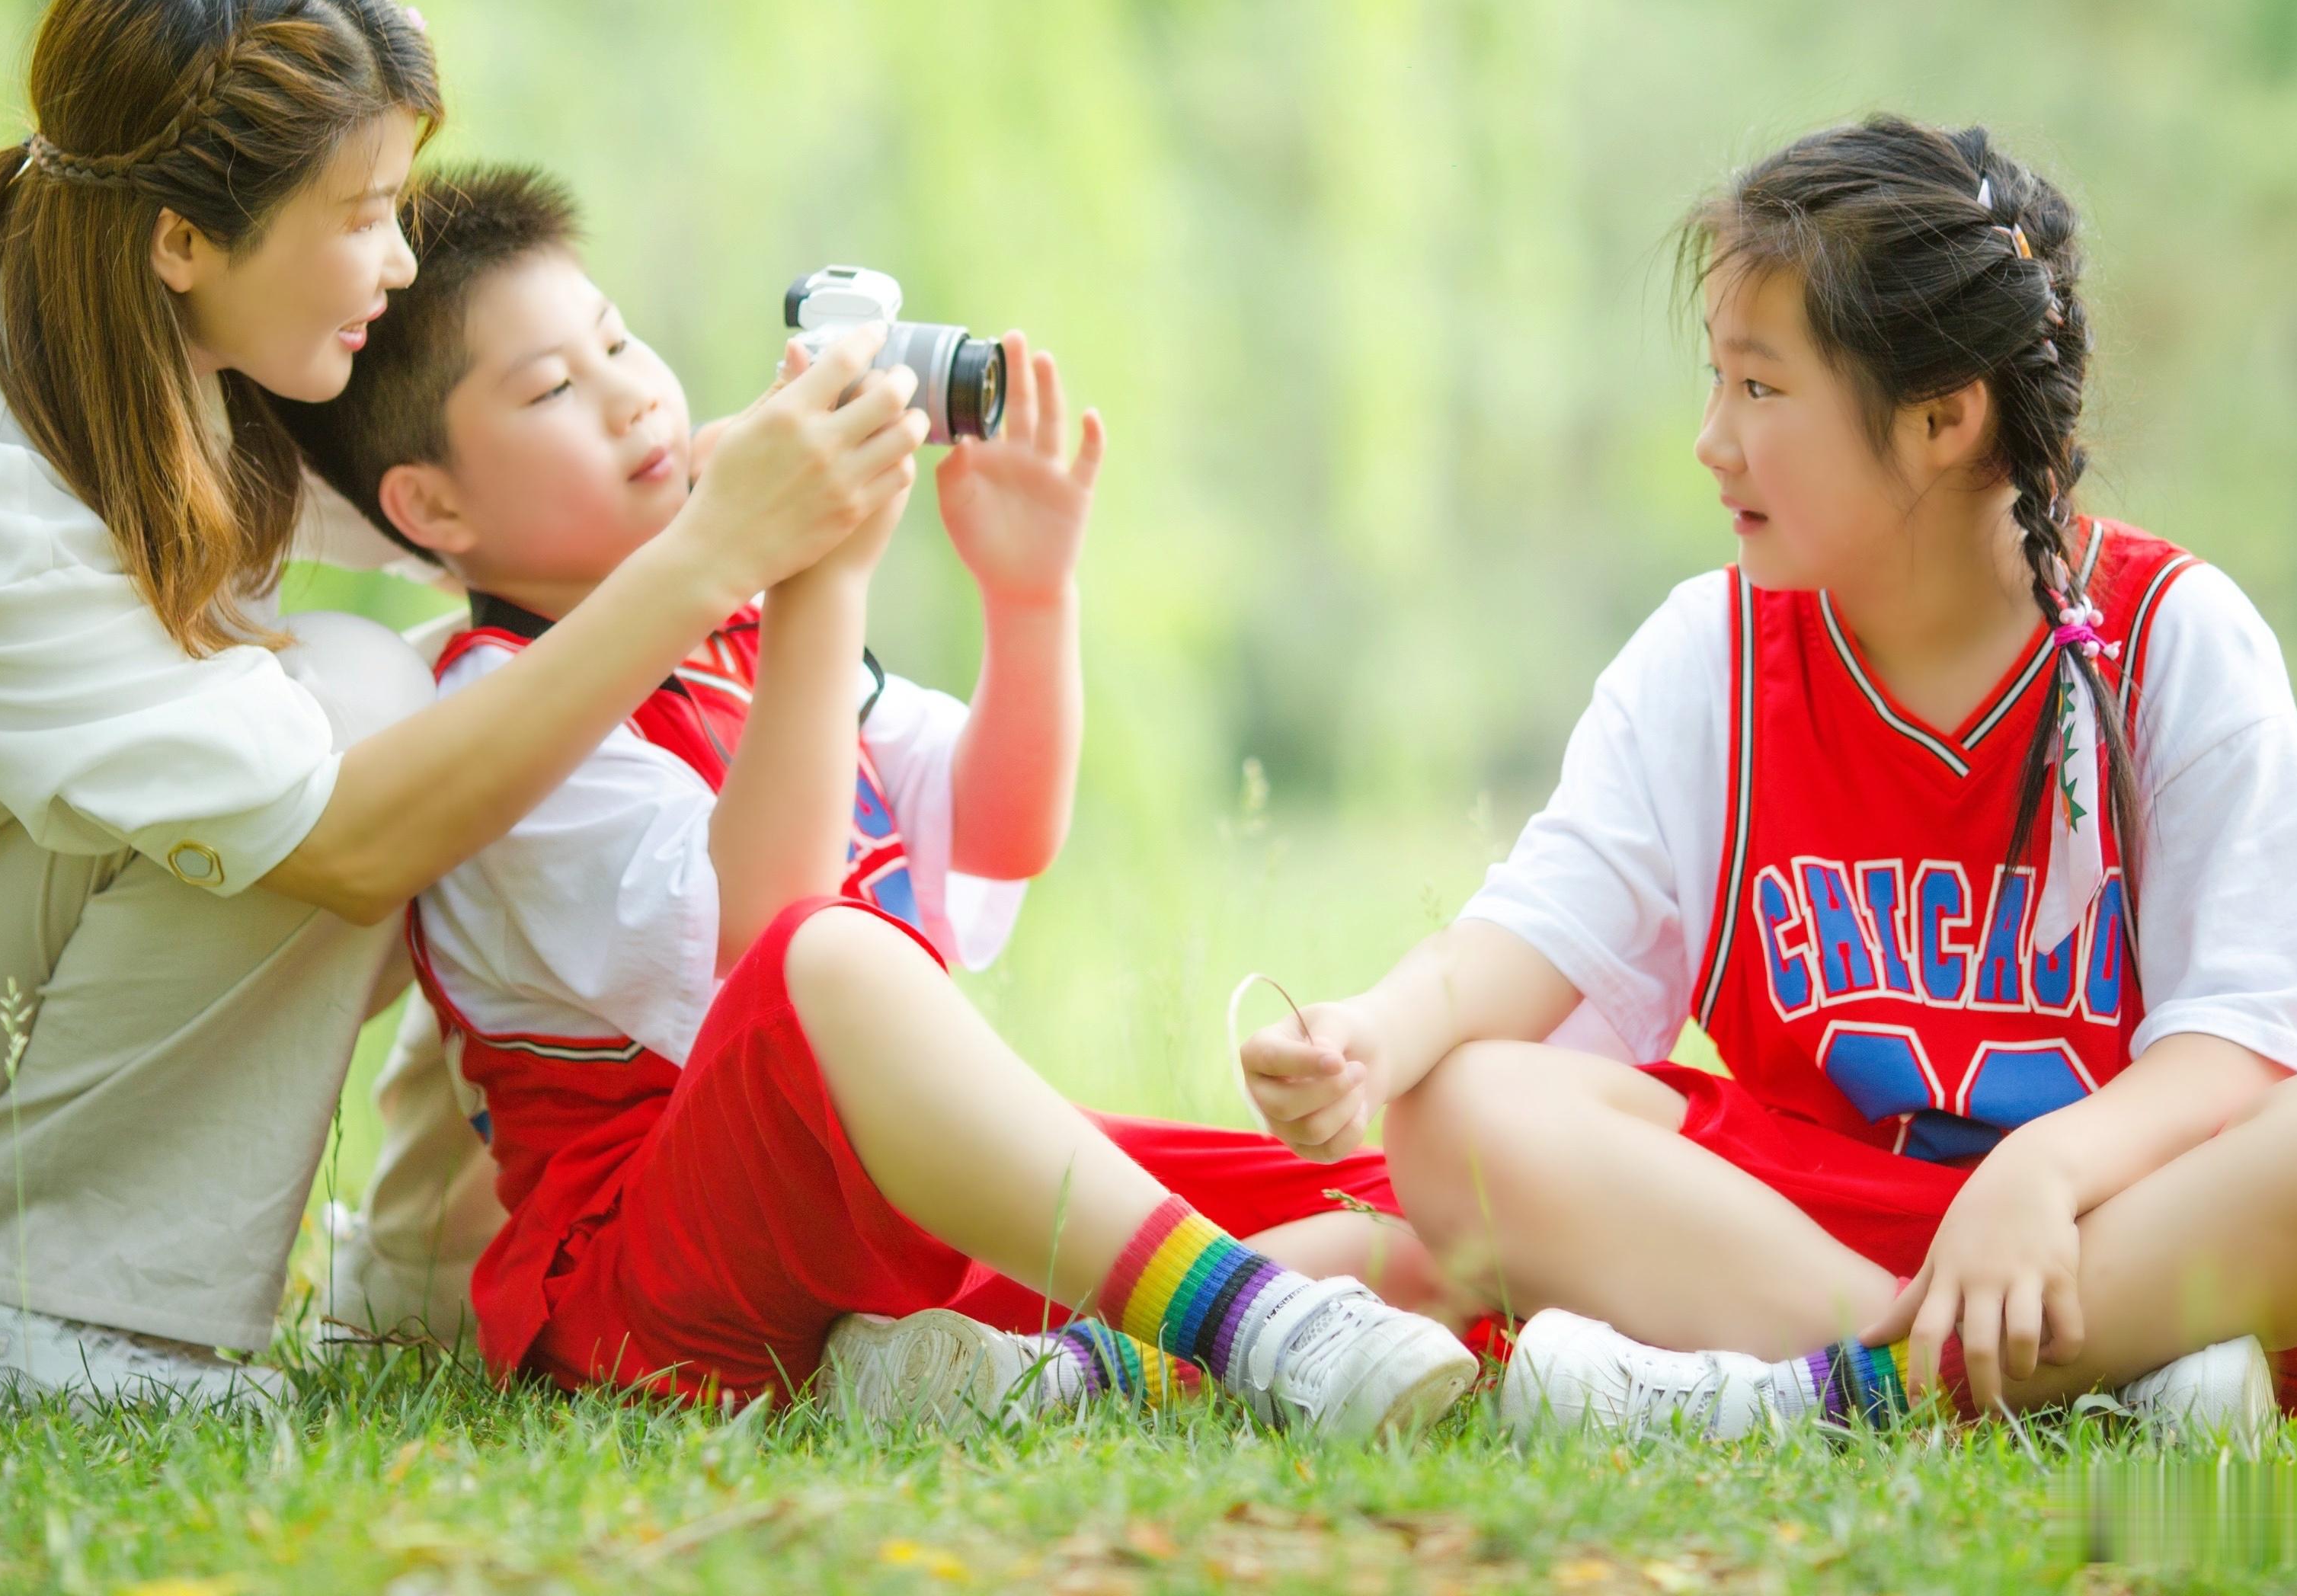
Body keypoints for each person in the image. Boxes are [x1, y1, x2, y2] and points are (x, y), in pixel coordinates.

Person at [0, 0, 923, 1418]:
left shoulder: (144, 315)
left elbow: (500, 515)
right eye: (363, 213)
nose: (403, 258)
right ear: (184, 234)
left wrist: (722, 474)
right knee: (360, 715)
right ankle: (20, 1314)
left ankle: (433, 1253)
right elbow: (347, 846)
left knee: (455, 680)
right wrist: (708, 562)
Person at [1238, 117, 2297, 1441]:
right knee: (1457, 1111)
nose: (1712, 441)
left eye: (1761, 391)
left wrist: (2044, 1171)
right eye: (1715, 383)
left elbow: (2244, 1045)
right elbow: (1546, 923)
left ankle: (1796, 1395)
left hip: (2113, 1219)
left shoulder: (2174, 639)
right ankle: (2027, 1382)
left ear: (1945, 415)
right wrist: (1379, 1029)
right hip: (1796, 1228)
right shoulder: (1711, 657)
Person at [280, 164, 1480, 1438]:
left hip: (884, 1207)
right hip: (664, 1291)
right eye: (556, 389)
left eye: (621, 339)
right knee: (833, 958)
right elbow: (776, 956)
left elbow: (1000, 827)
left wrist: (1027, 600)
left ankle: (1064, 1374)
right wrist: (812, 580)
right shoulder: (507, 724)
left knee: (1411, 1215)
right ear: (433, 505)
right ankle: (1258, 1324)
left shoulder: (744, 641)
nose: (633, 393)